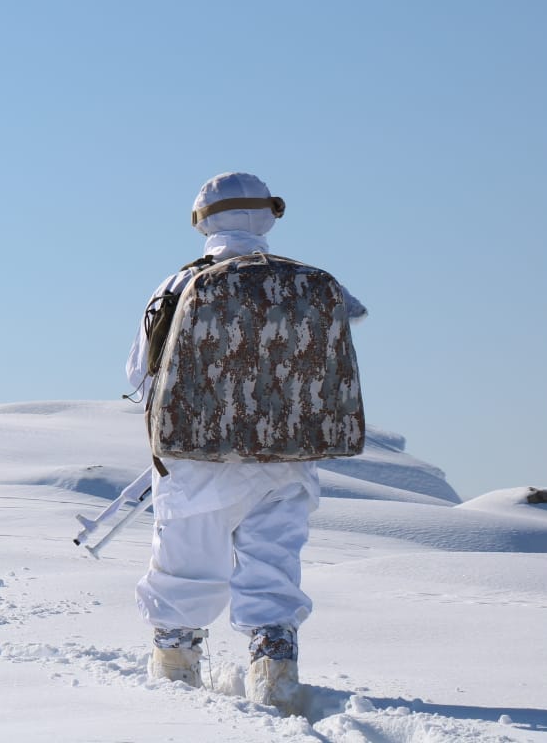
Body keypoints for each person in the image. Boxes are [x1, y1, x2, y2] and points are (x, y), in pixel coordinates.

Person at [124, 172, 366, 712]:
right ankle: (274, 670)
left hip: (196, 459)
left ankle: (175, 682)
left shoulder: (178, 286)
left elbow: (139, 376)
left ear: (202, 221)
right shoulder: (312, 283)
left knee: (184, 568)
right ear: (270, 215)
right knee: (274, 566)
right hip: (289, 456)